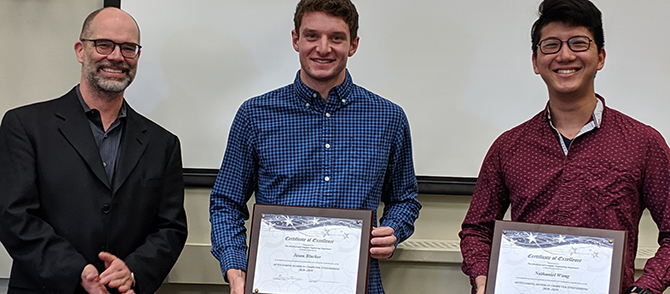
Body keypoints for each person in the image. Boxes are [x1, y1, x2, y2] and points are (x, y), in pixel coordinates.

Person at [209, 0, 421, 293]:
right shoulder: (255, 115)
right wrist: (236, 270)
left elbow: (404, 199)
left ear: (353, 44)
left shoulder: (388, 118)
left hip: (358, 285)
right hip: (273, 285)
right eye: (312, 36)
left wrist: (393, 231)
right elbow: (226, 203)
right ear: (296, 40)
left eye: (336, 38)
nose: (323, 48)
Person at [458, 0, 670, 293]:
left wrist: (646, 287)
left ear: (601, 57)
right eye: (551, 45)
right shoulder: (508, 147)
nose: (565, 55)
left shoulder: (642, 143)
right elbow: (476, 230)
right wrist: (483, 277)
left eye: (578, 43)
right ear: (535, 61)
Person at [0, 7, 187, 294]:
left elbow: (170, 228)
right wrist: (78, 271)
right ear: (80, 50)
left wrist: (133, 269)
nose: (116, 56)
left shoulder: (163, 143)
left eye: (128, 48)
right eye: (104, 44)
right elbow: (13, 216)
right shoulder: (24, 126)